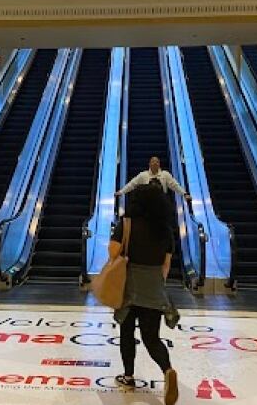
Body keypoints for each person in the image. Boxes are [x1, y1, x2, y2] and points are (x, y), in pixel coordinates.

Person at [109, 183, 178, 405]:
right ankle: (167, 370)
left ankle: (128, 376)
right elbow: (166, 266)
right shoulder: (165, 230)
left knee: (127, 333)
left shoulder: (126, 225)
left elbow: (112, 254)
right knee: (151, 338)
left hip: (129, 288)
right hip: (153, 289)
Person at [115, 156, 191, 201]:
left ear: (159, 164)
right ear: (149, 164)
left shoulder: (165, 174)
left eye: (157, 162)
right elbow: (132, 184)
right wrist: (121, 192)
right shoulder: (143, 175)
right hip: (147, 204)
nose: (155, 163)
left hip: (161, 203)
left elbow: (175, 185)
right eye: (153, 161)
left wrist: (184, 194)